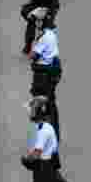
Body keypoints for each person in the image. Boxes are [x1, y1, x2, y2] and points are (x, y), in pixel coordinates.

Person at [28, 8, 62, 141]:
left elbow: (33, 55)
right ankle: (53, 132)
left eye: (38, 21)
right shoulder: (50, 34)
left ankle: (44, 130)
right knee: (50, 102)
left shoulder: (44, 37)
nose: (36, 23)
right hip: (51, 72)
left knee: (39, 101)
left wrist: (32, 45)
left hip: (43, 73)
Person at [23, 95, 60, 182]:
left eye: (32, 109)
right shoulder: (45, 127)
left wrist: (27, 159)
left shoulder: (44, 130)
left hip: (44, 172)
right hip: (45, 169)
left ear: (37, 112)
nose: (29, 112)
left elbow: (36, 154)